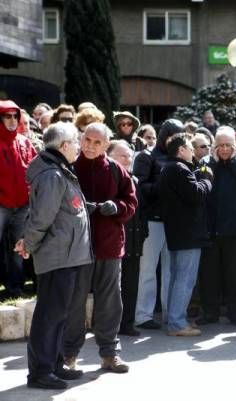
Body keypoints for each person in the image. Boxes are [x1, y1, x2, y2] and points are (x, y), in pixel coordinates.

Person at [19, 122, 91, 389]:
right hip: (57, 256)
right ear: (63, 146)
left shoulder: (61, 171)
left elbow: (66, 210)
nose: (79, 147)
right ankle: (40, 372)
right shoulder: (53, 175)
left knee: (59, 314)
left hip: (67, 255)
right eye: (76, 142)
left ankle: (55, 363)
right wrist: (28, 243)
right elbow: (42, 217)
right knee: (49, 315)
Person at [64, 122, 137, 374]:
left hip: (109, 246)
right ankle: (69, 355)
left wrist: (115, 207)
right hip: (76, 247)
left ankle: (109, 354)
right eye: (87, 140)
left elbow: (131, 202)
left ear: (107, 144)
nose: (91, 146)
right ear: (80, 139)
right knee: (74, 302)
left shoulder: (117, 170)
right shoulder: (69, 167)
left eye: (97, 142)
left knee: (109, 302)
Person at [199, 127, 236, 327]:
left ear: (235, 146)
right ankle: (210, 312)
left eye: (228, 146)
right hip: (211, 228)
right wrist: (214, 162)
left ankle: (235, 312)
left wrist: (231, 161)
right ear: (214, 146)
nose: (224, 149)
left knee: (235, 274)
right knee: (209, 273)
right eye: (220, 145)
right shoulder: (206, 162)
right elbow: (202, 183)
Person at [158, 133, 212, 336]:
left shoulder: (169, 168)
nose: (193, 151)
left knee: (176, 278)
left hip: (177, 232)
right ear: (181, 150)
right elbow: (196, 194)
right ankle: (177, 323)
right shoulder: (179, 169)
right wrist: (207, 179)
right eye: (190, 147)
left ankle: (174, 319)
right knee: (184, 279)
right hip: (187, 233)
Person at [133, 119, 184, 330]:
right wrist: (163, 186)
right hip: (152, 220)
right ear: (164, 135)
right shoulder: (147, 156)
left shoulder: (177, 156)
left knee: (171, 270)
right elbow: (140, 187)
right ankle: (143, 315)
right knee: (148, 270)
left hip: (173, 220)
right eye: (172, 136)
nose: (175, 140)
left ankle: (169, 313)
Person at [107, 140, 147, 337]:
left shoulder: (135, 180)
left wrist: (142, 234)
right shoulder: (106, 179)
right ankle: (109, 327)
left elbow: (140, 212)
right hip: (112, 242)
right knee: (112, 288)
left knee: (131, 285)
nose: (127, 159)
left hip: (134, 241)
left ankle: (127, 323)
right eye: (122, 156)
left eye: (129, 156)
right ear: (110, 157)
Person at [0, 100, 37, 297]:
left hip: (22, 205)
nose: (13, 120)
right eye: (7, 116)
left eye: (15, 116)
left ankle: (15, 287)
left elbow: (35, 171)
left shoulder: (24, 142)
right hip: (1, 205)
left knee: (18, 248)